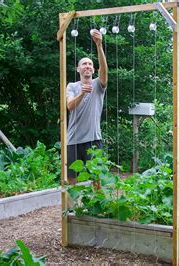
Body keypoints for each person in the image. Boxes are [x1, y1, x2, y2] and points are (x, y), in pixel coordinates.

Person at [66, 29, 108, 185]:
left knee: (96, 177)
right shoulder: (72, 86)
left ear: (93, 69)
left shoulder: (98, 84)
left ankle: (99, 208)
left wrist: (99, 45)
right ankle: (71, 208)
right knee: (71, 176)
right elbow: (70, 106)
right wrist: (82, 93)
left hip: (93, 139)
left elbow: (104, 70)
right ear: (78, 69)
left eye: (90, 64)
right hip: (73, 139)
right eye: (84, 64)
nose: (87, 66)